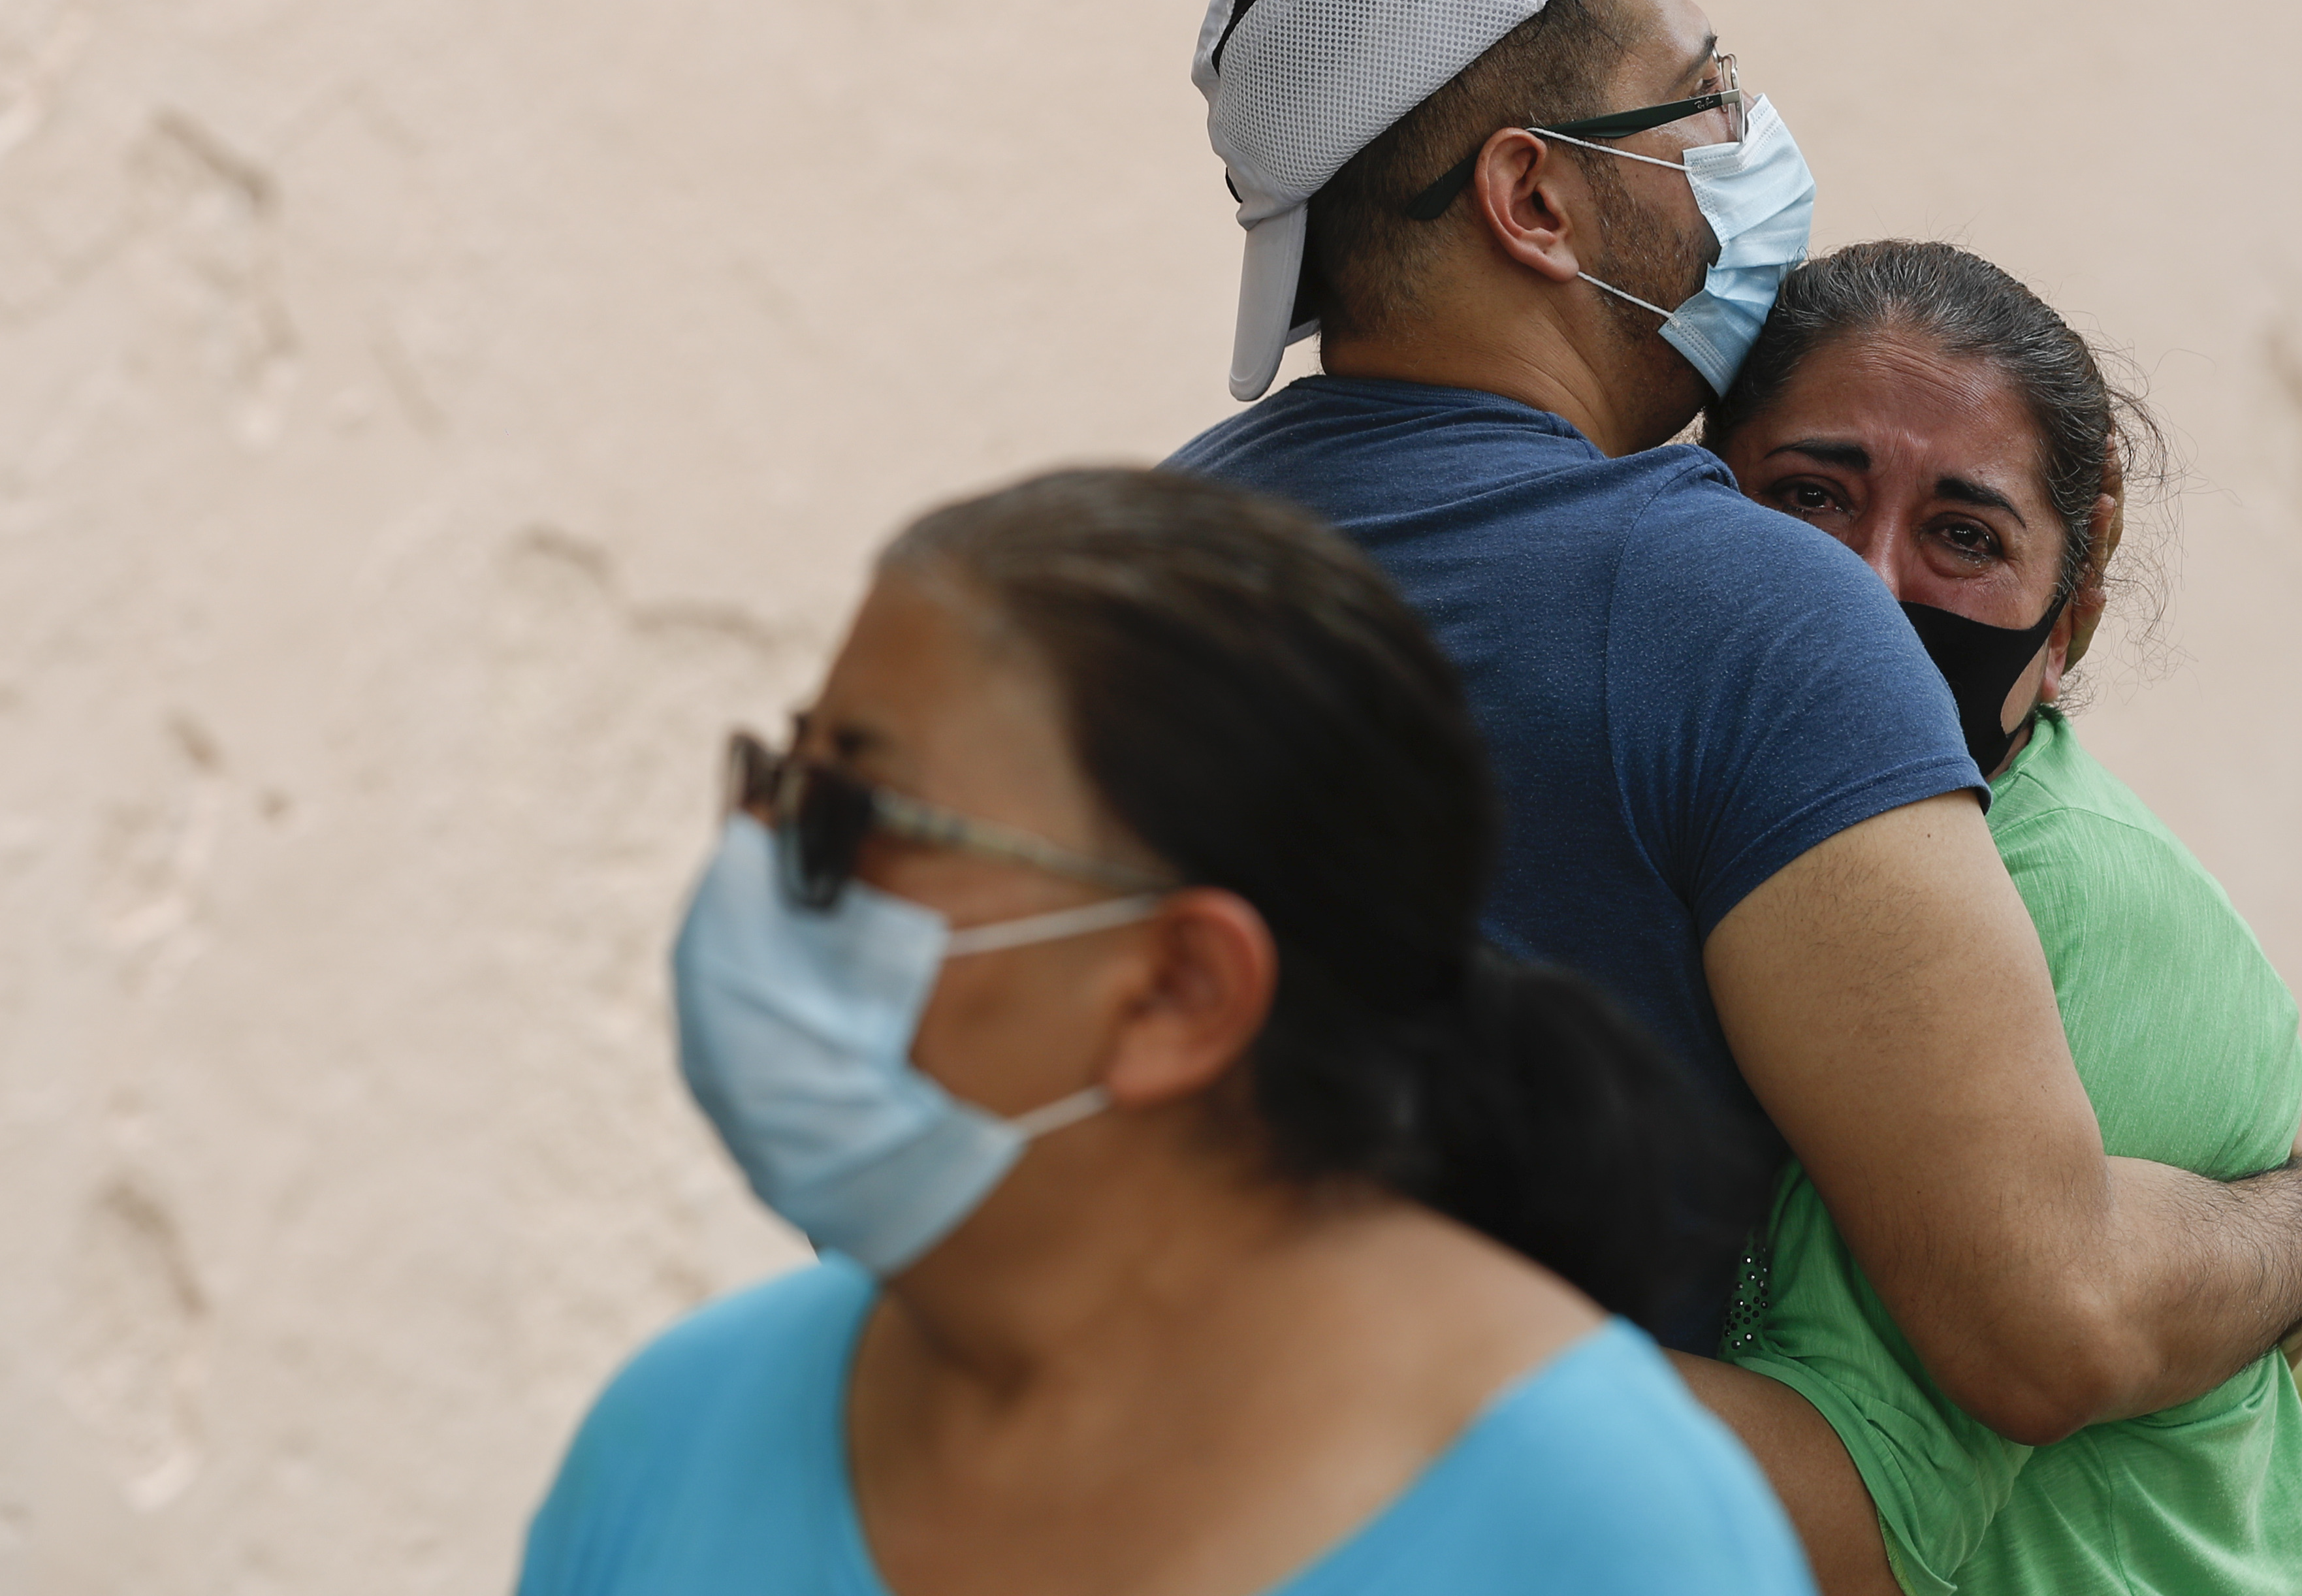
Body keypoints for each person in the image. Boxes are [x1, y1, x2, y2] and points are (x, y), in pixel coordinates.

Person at [1168, 0, 2302, 1474]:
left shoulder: (1120, 567)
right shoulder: (1741, 616)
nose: (1747, 137)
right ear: (1534, 197)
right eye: (1706, 90)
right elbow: (2052, 1321)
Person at [516, 468, 1816, 1596]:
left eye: (855, 816)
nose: (754, 868)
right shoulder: (680, 1429)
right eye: (778, 781)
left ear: (1182, 990)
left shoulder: (1605, 1529)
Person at [1703, 241, 2302, 1596]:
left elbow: (1855, 1517)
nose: (1864, 593)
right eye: (1810, 496)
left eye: (1964, 535)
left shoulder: (2060, 899)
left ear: (2070, 623)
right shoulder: (1767, 849)